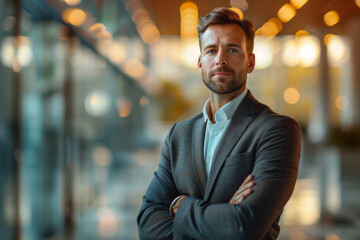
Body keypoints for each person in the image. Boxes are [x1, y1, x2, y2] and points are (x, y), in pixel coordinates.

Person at [137, 7, 302, 240]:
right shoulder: (179, 135)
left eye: (232, 50)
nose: (220, 60)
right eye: (211, 50)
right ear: (200, 63)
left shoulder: (277, 130)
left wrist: (178, 206)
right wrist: (224, 214)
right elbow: (147, 225)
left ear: (250, 62)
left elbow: (243, 228)